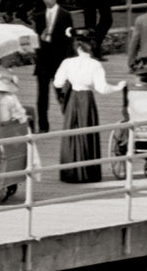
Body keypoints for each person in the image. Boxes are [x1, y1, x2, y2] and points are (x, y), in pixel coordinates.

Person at [53, 29, 125, 183]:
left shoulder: (67, 62)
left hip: (73, 98)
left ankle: (70, 172)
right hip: (86, 98)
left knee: (71, 132)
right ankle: (87, 172)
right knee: (87, 131)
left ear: (76, 46)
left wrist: (70, 80)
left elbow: (57, 83)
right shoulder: (95, 64)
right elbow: (102, 88)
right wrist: (118, 87)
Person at [32, 0, 74, 133]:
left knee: (61, 93)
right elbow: (36, 39)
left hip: (59, 60)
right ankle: (43, 126)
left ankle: (70, 122)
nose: (47, 0)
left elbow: (69, 40)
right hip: (44, 60)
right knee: (42, 96)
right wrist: (40, 40)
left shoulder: (65, 15)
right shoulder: (39, 16)